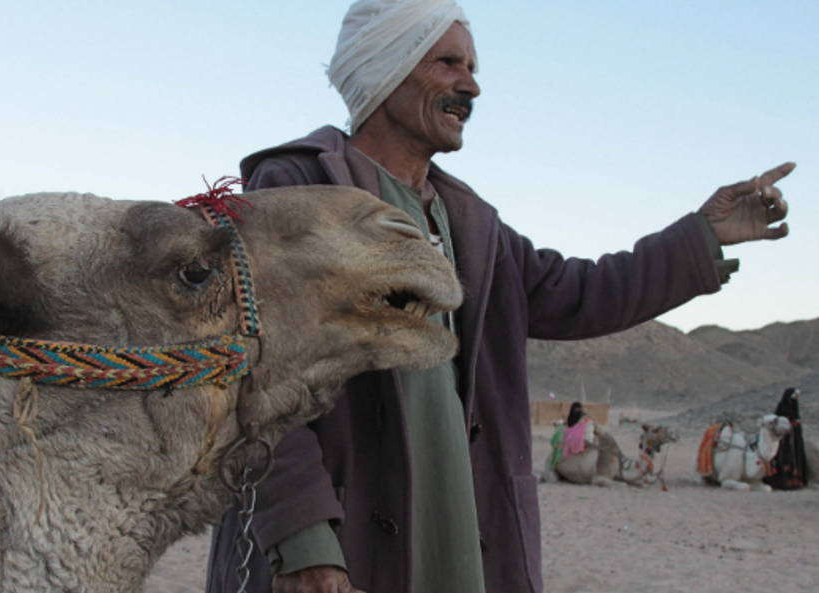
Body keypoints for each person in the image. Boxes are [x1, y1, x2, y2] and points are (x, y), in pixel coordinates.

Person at [205, 2, 796, 592]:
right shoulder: (300, 189)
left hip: (457, 530)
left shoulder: (471, 224)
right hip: (336, 541)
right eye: (448, 63)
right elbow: (251, 376)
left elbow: (583, 292)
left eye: (471, 66)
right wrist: (302, 537)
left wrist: (702, 235)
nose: (472, 85)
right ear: (389, 69)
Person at [764, 387, 809, 490]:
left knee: (796, 456)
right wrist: (789, 422)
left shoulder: (794, 406)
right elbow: (779, 419)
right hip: (784, 439)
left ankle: (797, 480)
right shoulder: (782, 406)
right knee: (783, 457)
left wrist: (796, 424)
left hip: (795, 439)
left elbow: (796, 417)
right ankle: (782, 481)